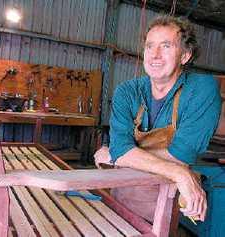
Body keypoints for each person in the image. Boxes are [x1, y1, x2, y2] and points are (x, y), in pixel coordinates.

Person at [94, 15, 221, 222]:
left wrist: (119, 157)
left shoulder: (202, 88)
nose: (155, 55)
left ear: (185, 56)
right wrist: (179, 173)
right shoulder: (127, 91)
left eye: (166, 46)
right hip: (123, 196)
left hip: (167, 202)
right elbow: (121, 149)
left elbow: (181, 155)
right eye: (149, 46)